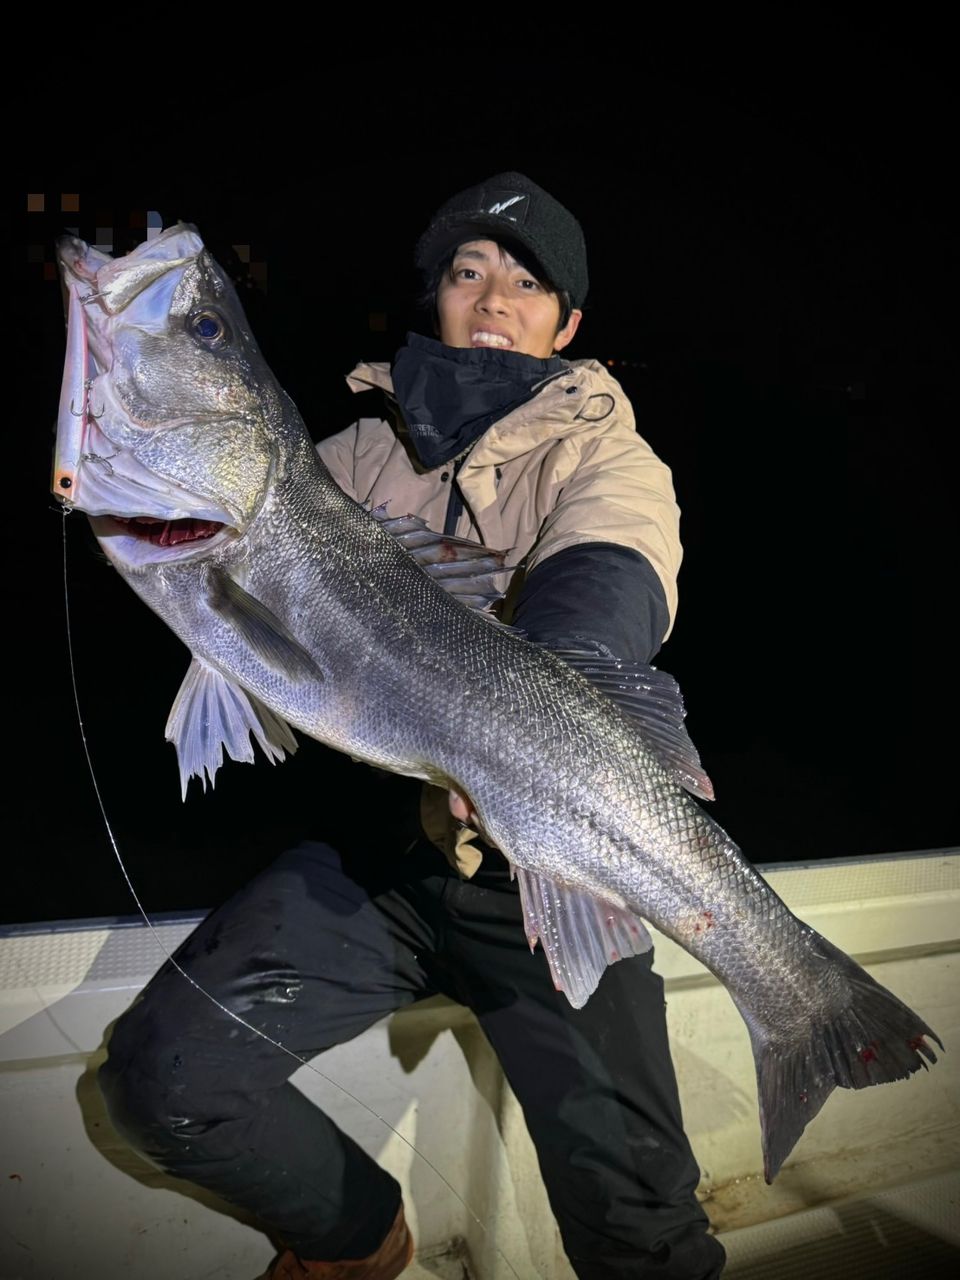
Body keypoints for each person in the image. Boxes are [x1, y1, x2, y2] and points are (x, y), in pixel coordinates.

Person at [99, 173, 726, 1280]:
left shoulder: (608, 456)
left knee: (642, 1231)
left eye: (528, 283)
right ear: (433, 296)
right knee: (160, 1076)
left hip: (552, 867)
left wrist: (527, 742)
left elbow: (604, 590)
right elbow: (226, 580)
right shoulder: (342, 461)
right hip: (376, 864)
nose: (495, 298)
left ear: (568, 325)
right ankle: (356, 1236)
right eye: (468, 271)